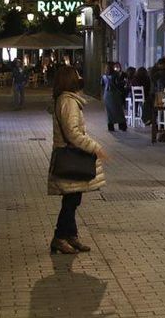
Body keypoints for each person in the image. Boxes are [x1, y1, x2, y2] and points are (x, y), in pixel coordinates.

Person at [48, 66, 108, 254]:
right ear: (70, 80)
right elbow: (72, 133)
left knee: (73, 199)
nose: (81, 77)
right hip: (70, 155)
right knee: (70, 201)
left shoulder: (68, 100)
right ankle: (59, 237)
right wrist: (95, 147)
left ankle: (71, 235)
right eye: (77, 75)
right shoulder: (68, 102)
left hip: (70, 154)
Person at [101, 62, 127, 132]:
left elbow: (102, 84)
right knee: (118, 110)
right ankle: (122, 126)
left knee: (109, 111)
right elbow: (118, 84)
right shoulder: (115, 74)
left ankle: (110, 126)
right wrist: (124, 82)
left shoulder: (104, 75)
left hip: (106, 94)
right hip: (114, 94)